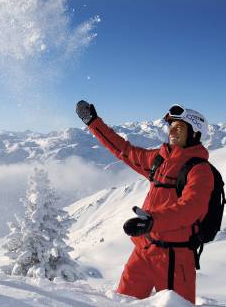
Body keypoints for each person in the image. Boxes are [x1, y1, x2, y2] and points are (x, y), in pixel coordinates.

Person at [76, 101, 214, 304]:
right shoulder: (159, 159)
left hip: (175, 257)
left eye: (180, 127)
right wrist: (94, 123)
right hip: (144, 250)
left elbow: (191, 208)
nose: (173, 131)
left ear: (195, 134)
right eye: (172, 127)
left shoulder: (200, 170)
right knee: (123, 301)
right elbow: (124, 150)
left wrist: (152, 221)